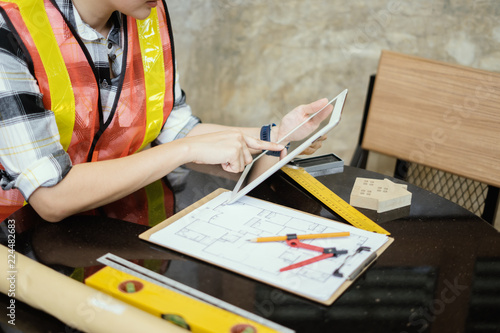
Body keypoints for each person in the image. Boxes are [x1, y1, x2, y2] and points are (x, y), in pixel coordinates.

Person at [0, 0, 332, 223]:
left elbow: (174, 127)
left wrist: (277, 136)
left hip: (109, 223)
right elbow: (51, 197)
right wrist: (184, 151)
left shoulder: (145, 16)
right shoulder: (10, 30)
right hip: (18, 242)